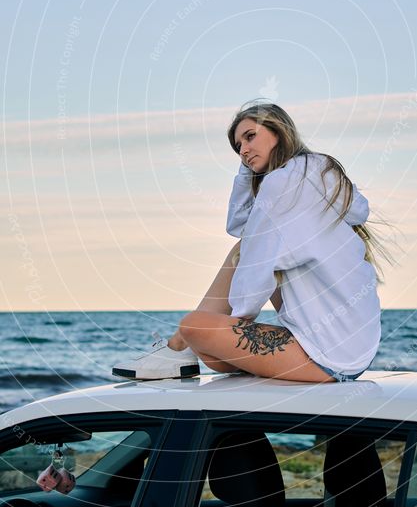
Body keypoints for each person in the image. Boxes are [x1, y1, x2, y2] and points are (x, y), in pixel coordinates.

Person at [113, 101, 388, 383]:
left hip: (330, 354)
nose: (243, 150)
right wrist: (248, 168)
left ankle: (175, 349)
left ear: (278, 131)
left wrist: (239, 319)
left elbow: (255, 256)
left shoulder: (284, 182)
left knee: (194, 327)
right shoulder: (317, 174)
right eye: (238, 147)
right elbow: (243, 226)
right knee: (210, 352)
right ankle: (179, 352)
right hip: (353, 349)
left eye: (250, 137)